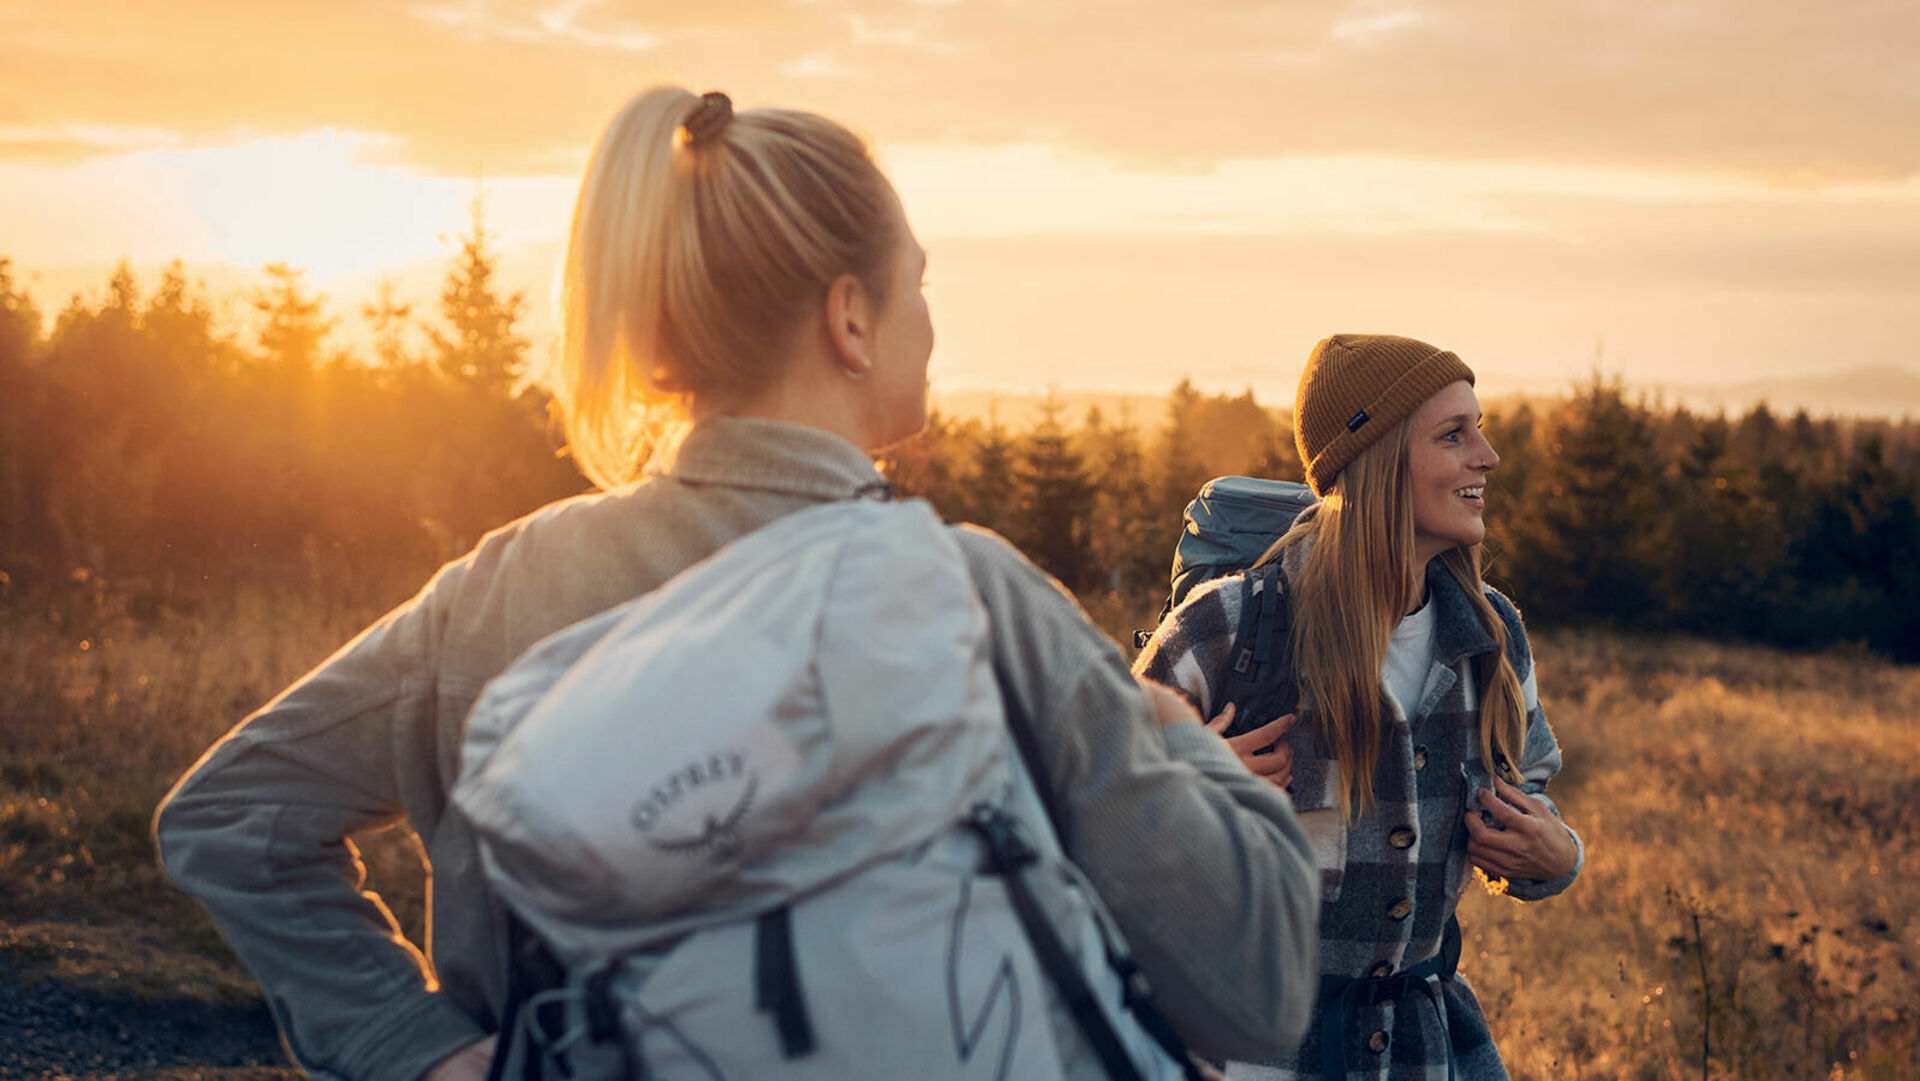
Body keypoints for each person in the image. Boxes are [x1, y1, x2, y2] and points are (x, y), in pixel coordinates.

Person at [154, 86, 1320, 1081]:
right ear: (849, 319)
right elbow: (1259, 984)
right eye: (914, 282)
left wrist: (424, 1050)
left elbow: (232, 817)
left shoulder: (500, 589)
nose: (927, 319)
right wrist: (1176, 733)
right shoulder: (971, 602)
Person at [1135, 334, 1582, 1081]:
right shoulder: (1227, 628)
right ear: (1373, 461)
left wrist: (1558, 855)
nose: (1489, 456)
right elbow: (1078, 829)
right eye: (1453, 435)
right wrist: (1188, 790)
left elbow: (1530, 801)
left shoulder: (1490, 635)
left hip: (1428, 1055)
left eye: (1479, 428)